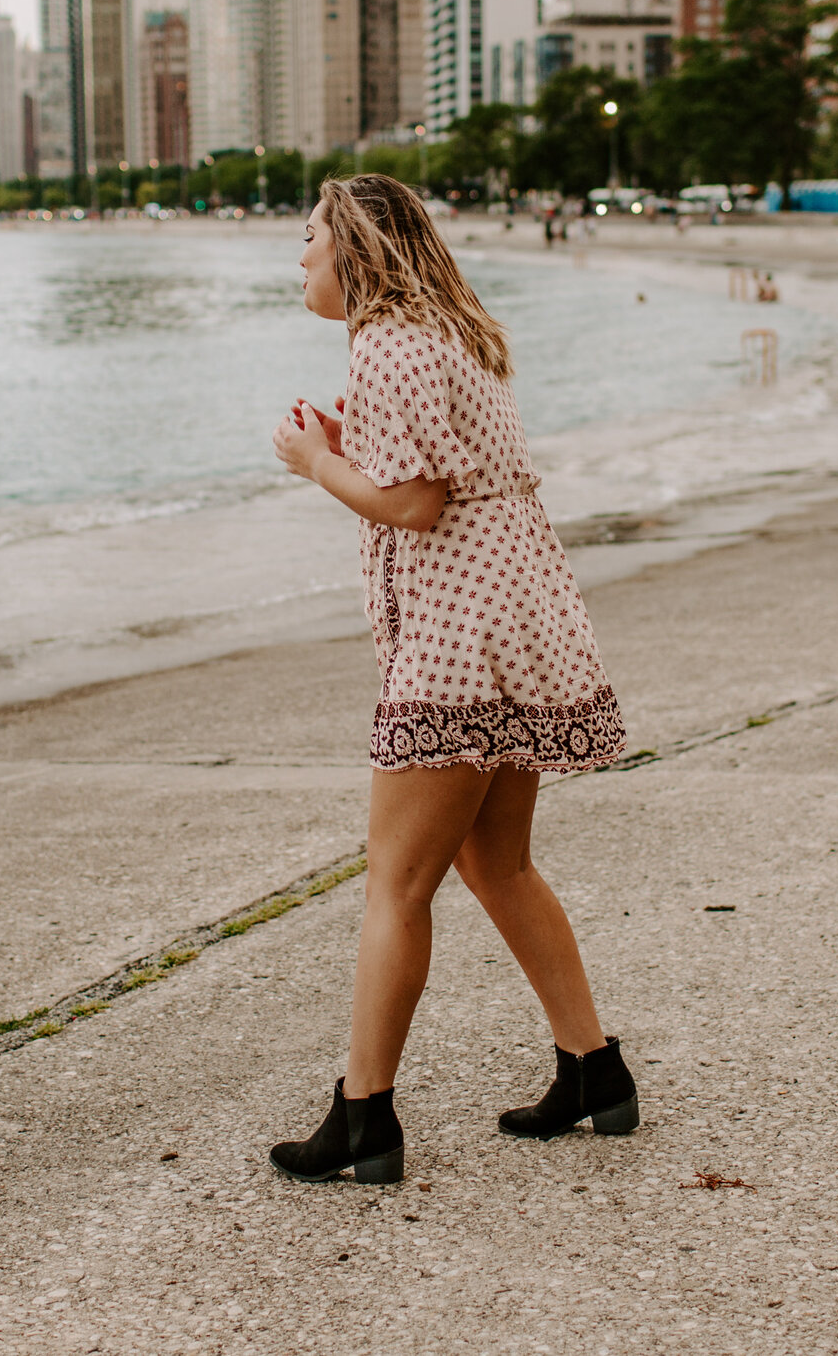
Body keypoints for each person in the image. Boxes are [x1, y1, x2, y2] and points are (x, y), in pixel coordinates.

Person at [266, 174, 634, 1185]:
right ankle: (593, 1067)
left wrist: (311, 460)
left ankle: (363, 1114)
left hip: (456, 636)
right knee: (496, 865)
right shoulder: (453, 330)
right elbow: (442, 476)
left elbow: (418, 504)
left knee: (396, 881)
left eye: (308, 240)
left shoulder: (387, 338)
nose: (298, 258)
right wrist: (351, 453)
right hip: (520, 620)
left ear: (355, 251)